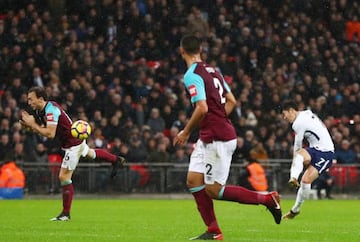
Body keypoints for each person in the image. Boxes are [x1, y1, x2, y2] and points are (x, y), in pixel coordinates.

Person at [173, 34, 281, 241]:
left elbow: (202, 108)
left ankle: (267, 199)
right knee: (194, 180)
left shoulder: (191, 74)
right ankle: (214, 231)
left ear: (182, 51)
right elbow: (232, 101)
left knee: (214, 190)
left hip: (217, 138)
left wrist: (186, 131)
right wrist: (218, 118)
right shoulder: (214, 70)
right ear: (200, 50)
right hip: (210, 136)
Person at [20, 86, 126, 221]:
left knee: (64, 177)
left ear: (40, 99)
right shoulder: (42, 110)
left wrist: (33, 124)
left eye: (31, 99)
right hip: (75, 139)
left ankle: (65, 214)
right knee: (89, 152)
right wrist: (29, 126)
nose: (29, 102)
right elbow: (45, 129)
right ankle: (116, 159)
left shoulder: (51, 110)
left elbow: (50, 133)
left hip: (72, 145)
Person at [281, 100, 335, 219]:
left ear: (291, 111)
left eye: (285, 114)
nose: (284, 117)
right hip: (315, 149)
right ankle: (294, 179)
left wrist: (294, 165)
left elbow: (298, 144)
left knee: (305, 180)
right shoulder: (305, 113)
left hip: (326, 153)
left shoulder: (298, 123)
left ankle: (295, 209)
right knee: (300, 158)